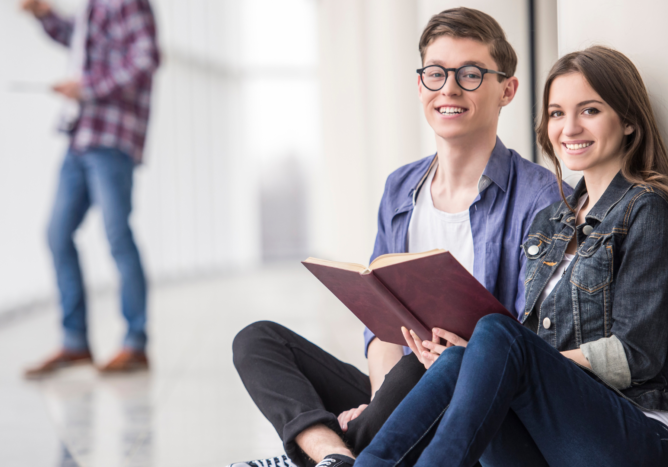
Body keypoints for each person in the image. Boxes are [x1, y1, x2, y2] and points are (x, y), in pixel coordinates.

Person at [228, 8, 569, 467]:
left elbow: (541, 339)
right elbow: (383, 321)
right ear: (420, 85)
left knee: (427, 365)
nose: (449, 88)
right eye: (435, 73)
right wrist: (378, 399)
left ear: (506, 89)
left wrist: (448, 364)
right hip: (399, 389)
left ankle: (312, 457)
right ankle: (332, 455)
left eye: (470, 74)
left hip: (477, 407)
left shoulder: (541, 196)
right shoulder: (400, 188)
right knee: (258, 340)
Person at [355, 45, 668, 467]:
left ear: (628, 121)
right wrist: (485, 360)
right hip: (555, 432)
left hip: (639, 435)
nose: (569, 127)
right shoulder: (550, 220)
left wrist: (507, 357)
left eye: (589, 110)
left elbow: (637, 355)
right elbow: (530, 348)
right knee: (462, 357)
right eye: (557, 113)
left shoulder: (646, 209)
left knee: (495, 335)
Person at [19, 0, 160, 377]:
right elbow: (81, 41)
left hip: (112, 137)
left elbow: (146, 60)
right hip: (79, 135)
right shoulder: (94, 6)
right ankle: (74, 342)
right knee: (57, 234)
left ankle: (135, 343)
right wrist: (44, 16)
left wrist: (88, 88)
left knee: (117, 236)